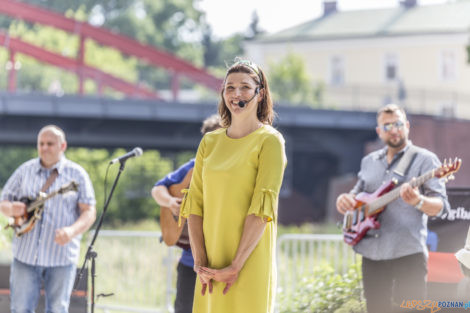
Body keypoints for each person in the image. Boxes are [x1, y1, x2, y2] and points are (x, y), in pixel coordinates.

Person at [179, 58, 287, 313]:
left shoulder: (270, 141)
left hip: (248, 260)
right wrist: (200, 262)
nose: (236, 93)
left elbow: (262, 210)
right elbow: (194, 204)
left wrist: (235, 265)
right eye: (230, 87)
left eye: (245, 87)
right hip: (209, 263)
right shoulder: (210, 142)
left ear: (260, 94)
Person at [336, 104, 449, 313]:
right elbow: (357, 193)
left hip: (408, 254)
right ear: (379, 132)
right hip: (372, 256)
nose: (393, 129)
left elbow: (442, 208)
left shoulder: (425, 160)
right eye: (387, 126)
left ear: (406, 126)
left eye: (397, 124)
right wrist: (345, 199)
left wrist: (418, 201)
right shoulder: (369, 161)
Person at [0, 125, 96, 313]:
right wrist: (11, 208)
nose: (44, 148)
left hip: (61, 257)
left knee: (57, 310)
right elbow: (2, 202)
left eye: (50, 144)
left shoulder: (77, 175)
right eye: (41, 143)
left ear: (63, 146)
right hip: (25, 256)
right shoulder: (24, 171)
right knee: (20, 309)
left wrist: (72, 231)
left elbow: (89, 211)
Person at [151, 114, 221, 313]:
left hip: (221, 263)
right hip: (190, 262)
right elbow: (158, 189)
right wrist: (171, 202)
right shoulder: (192, 166)